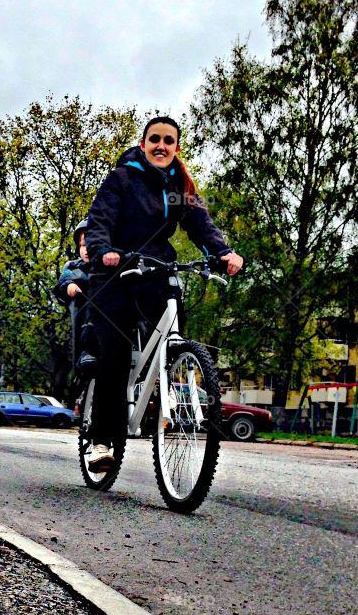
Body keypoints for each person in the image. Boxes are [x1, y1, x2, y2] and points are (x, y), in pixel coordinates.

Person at [83, 116, 243, 471]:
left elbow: (200, 223)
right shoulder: (121, 179)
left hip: (155, 268)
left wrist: (223, 252)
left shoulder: (178, 186)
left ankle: (166, 384)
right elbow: (100, 220)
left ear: (176, 148)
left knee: (174, 334)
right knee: (117, 354)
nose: (161, 145)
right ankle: (101, 440)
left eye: (168, 141)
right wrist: (102, 249)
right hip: (113, 272)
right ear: (143, 145)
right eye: (154, 139)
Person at [52, 218, 98, 373]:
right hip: (86, 318)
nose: (86, 250)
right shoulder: (73, 267)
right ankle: (87, 350)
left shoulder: (109, 267)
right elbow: (64, 282)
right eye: (82, 245)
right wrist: (69, 286)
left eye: (90, 245)